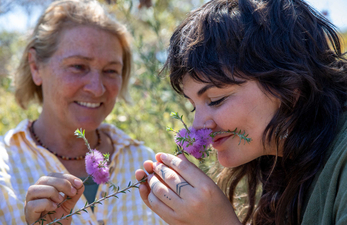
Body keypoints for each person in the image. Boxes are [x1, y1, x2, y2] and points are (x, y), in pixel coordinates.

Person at [0, 0, 164, 224]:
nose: (97, 88)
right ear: (35, 67)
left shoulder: (145, 165)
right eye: (78, 66)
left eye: (110, 71)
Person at [135, 0, 347, 224]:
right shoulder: (285, 168)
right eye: (193, 105)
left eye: (216, 100)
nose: (197, 125)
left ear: (289, 85)